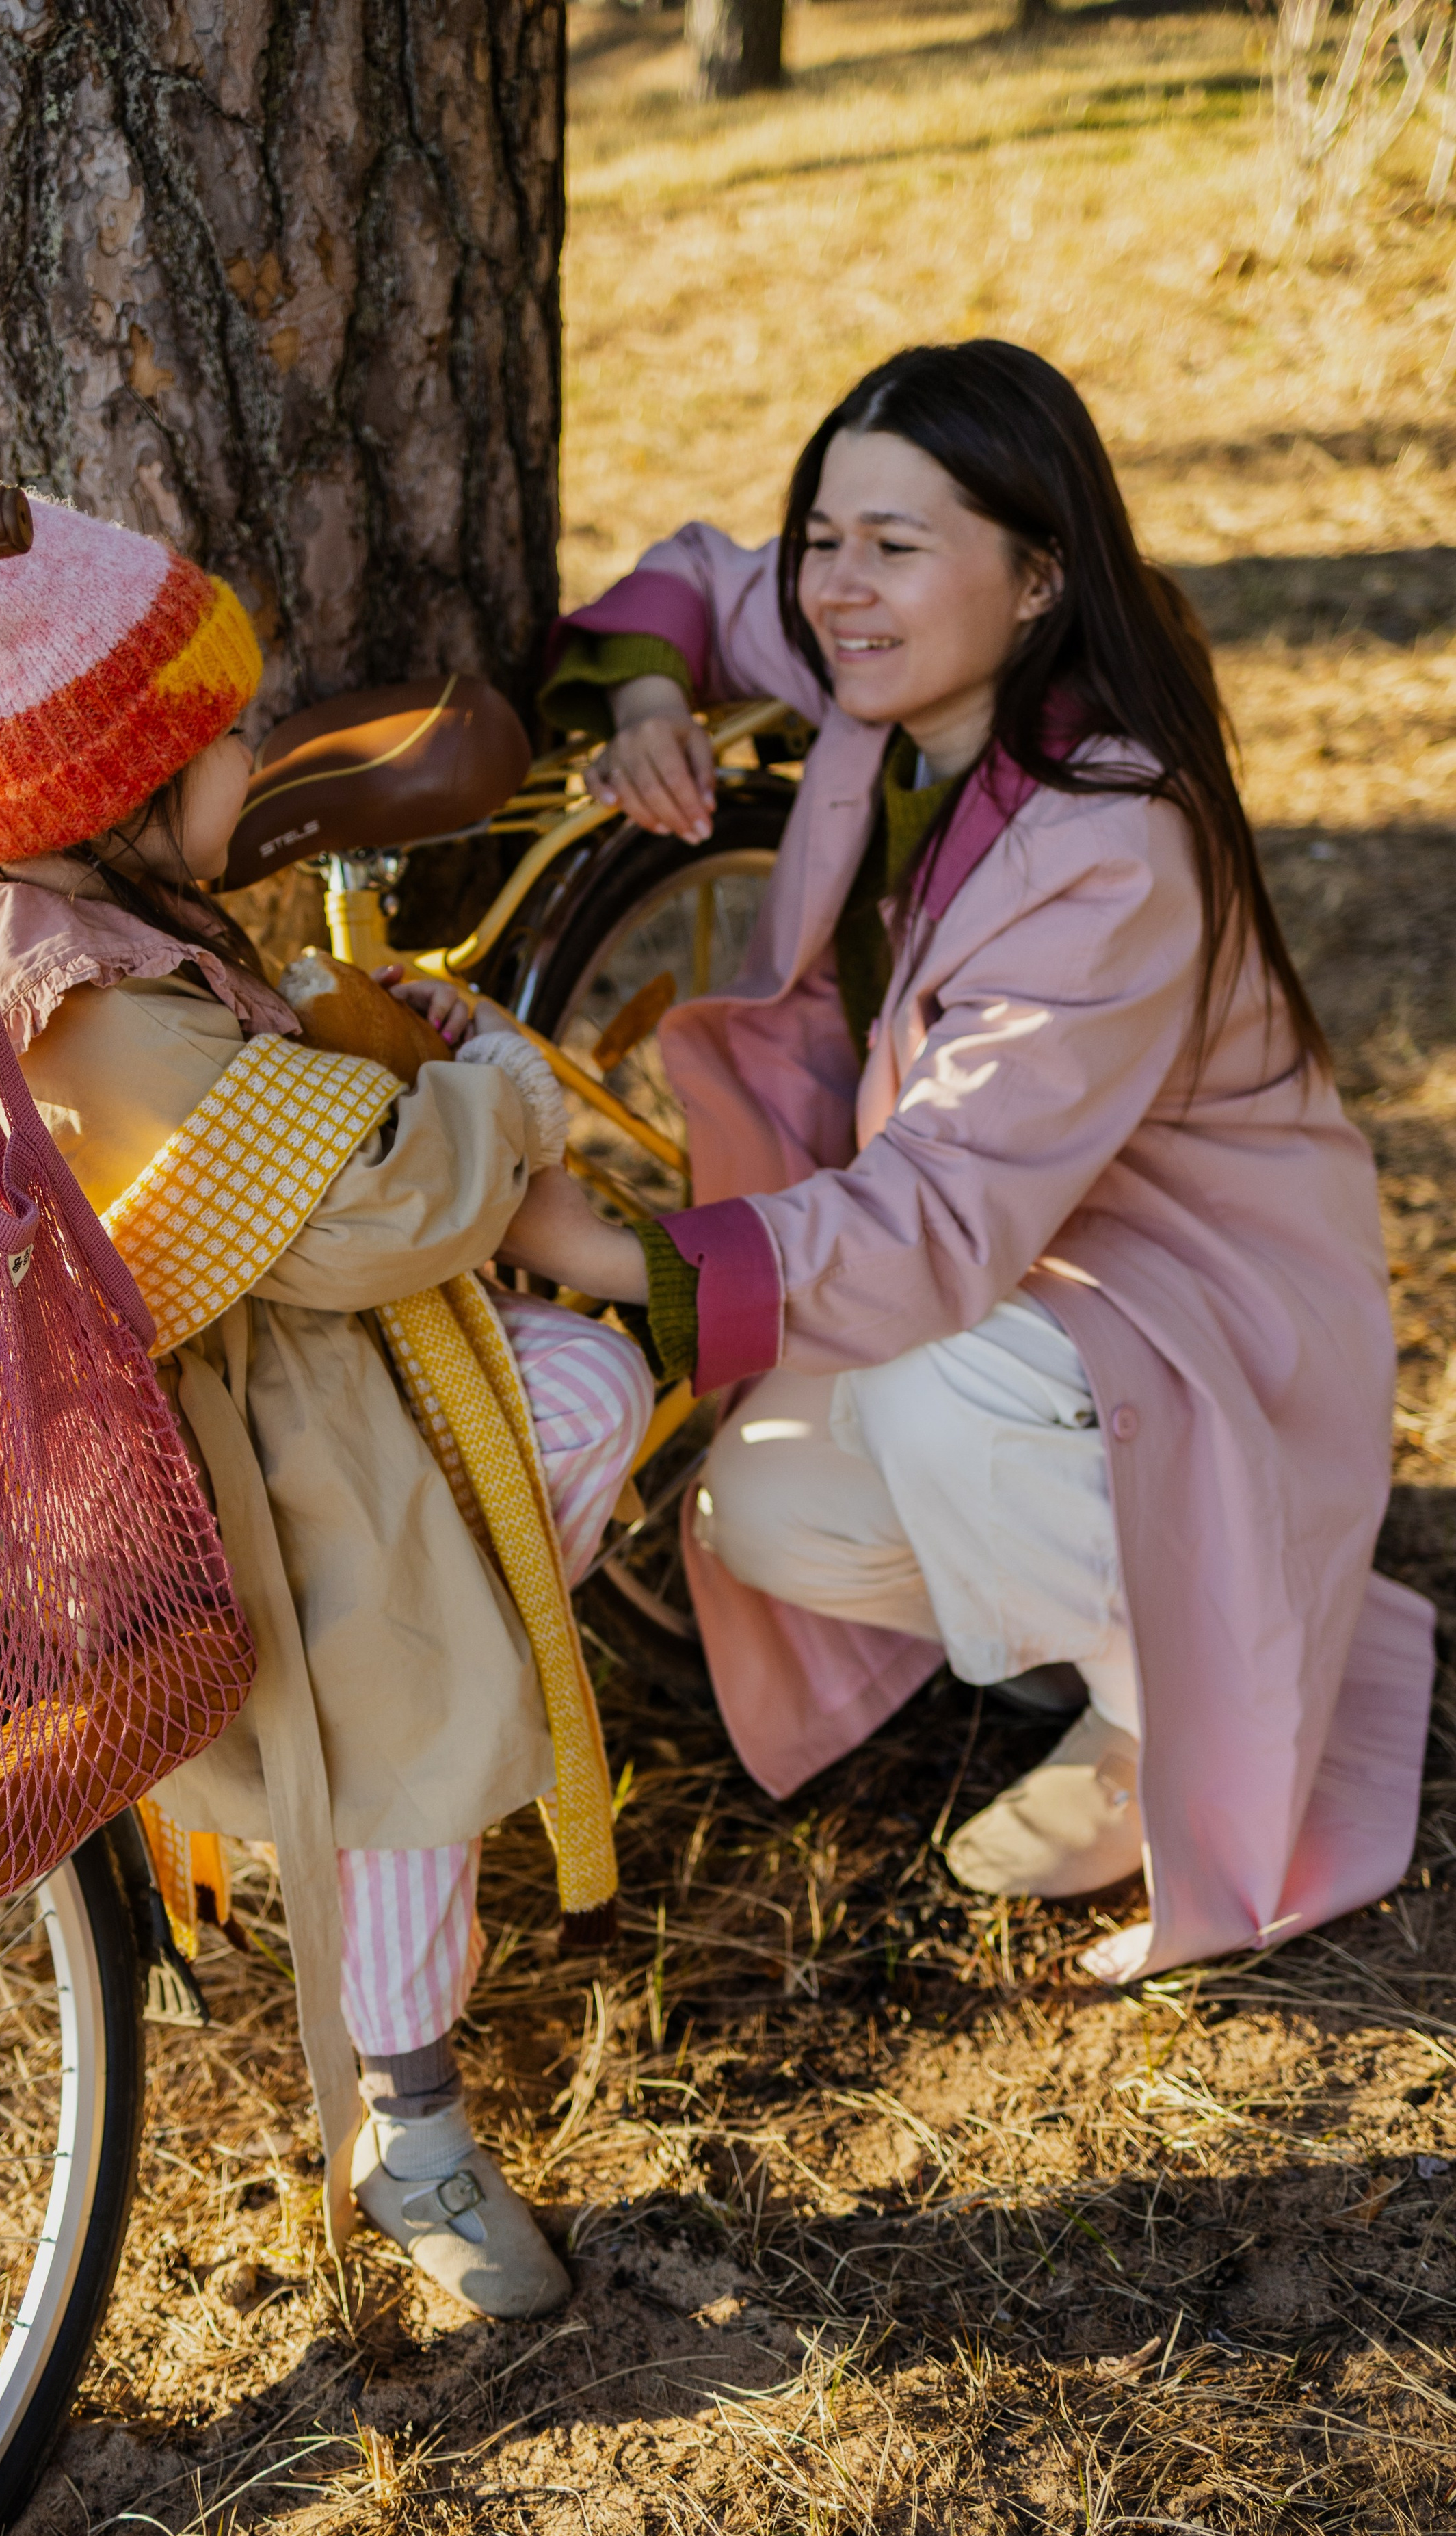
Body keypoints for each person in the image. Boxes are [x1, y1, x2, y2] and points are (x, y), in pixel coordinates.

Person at [505, 339, 1433, 1984]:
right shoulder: (894, 671)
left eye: (894, 546)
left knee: (938, 1399)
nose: (836, 590)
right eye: (825, 537)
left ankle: (1191, 1696)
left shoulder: (1105, 841)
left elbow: (936, 1221)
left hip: (1193, 1301)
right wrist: (649, 694)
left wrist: (608, 1260)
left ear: (1032, 581)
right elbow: (696, 586)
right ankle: (1130, 1636)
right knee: (761, 1510)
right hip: (1033, 1279)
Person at [0, 471, 654, 2318]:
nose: (253, 771)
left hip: (290, 1391)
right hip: (266, 1470)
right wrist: (511, 1103)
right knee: (409, 1698)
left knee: (571, 1393)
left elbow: (288, 1108)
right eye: (222, 746)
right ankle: (412, 2123)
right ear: (118, 795)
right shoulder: (99, 1011)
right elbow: (377, 1210)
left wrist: (357, 1037)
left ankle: (483, 1669)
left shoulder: (85, 938)